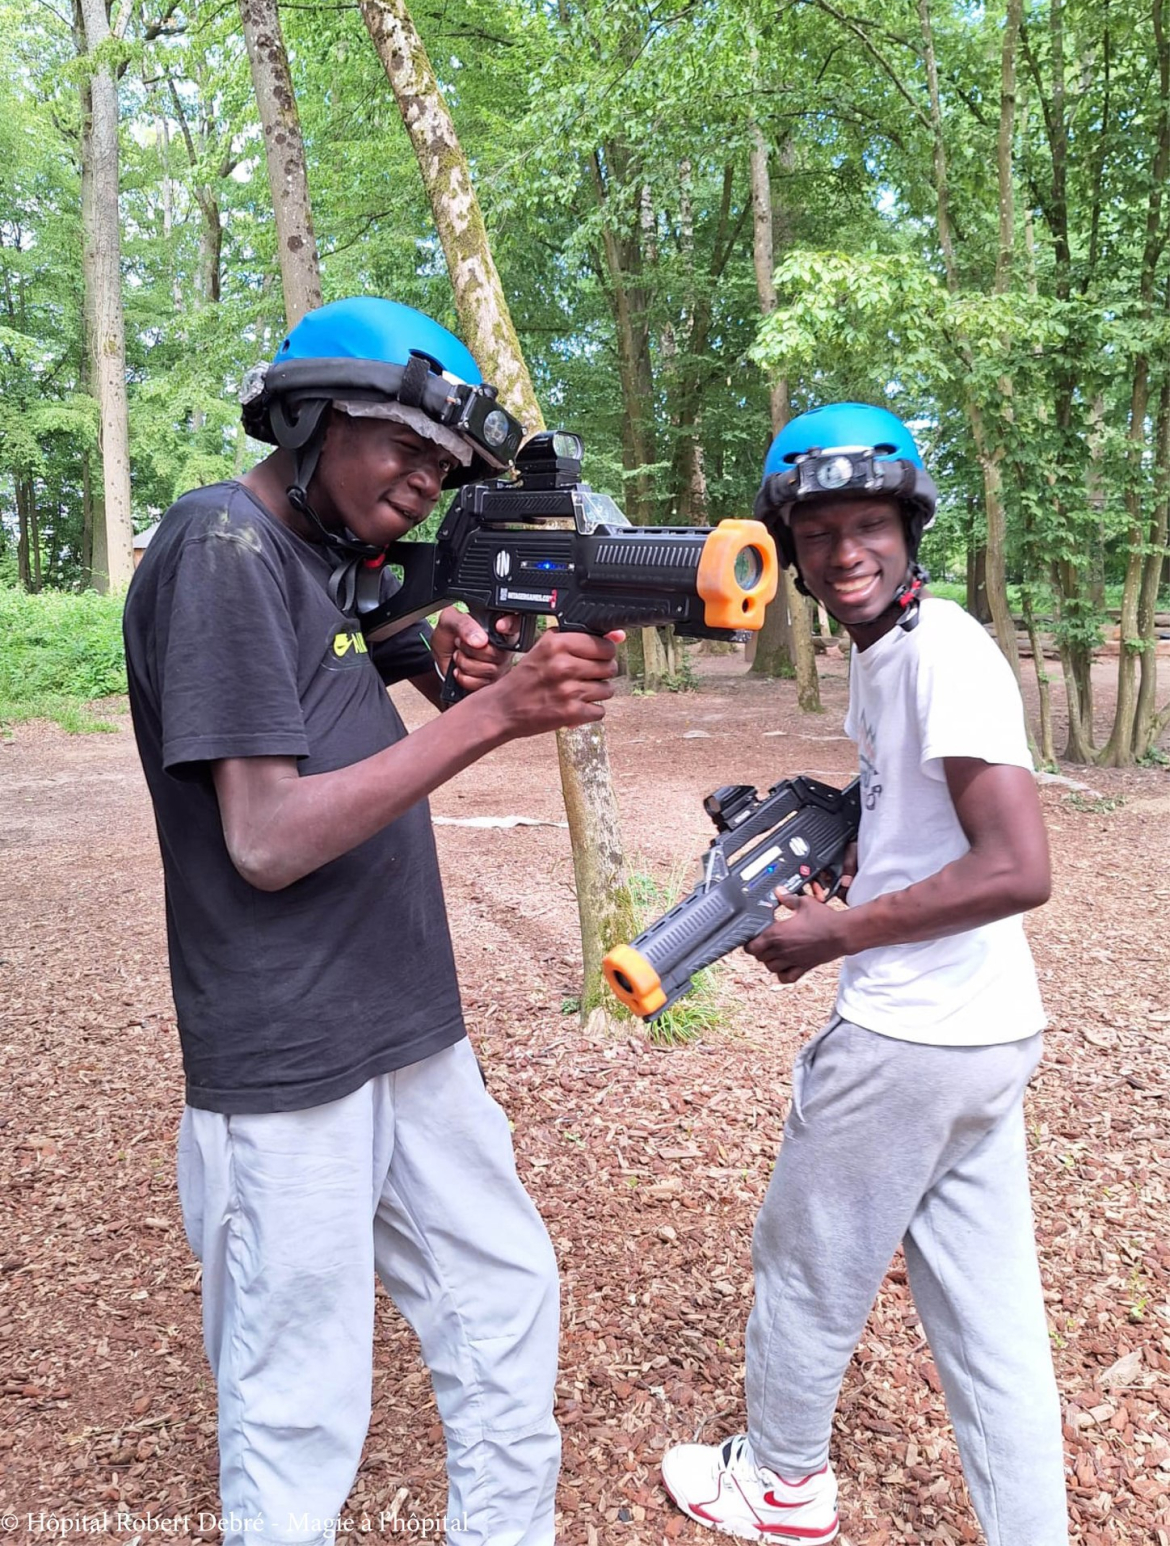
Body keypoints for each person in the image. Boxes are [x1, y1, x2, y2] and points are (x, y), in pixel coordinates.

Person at [122, 297, 622, 1546]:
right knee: (300, 1399)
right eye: (401, 443)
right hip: (286, 1054)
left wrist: (442, 652)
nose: (423, 478)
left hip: (405, 1024)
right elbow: (267, 838)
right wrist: (493, 713)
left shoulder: (326, 558)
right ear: (308, 417)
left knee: (502, 1295)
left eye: (443, 466)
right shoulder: (221, 547)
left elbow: (379, 633)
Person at [661, 404, 1067, 1546]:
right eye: (822, 528)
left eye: (870, 523)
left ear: (910, 526)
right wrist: (849, 861)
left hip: (909, 1037)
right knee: (993, 1324)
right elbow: (933, 832)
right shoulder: (889, 654)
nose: (846, 550)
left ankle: (783, 1485)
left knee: (803, 1264)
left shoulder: (945, 652)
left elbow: (1018, 864)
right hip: (981, 1037)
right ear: (792, 547)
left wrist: (839, 935)